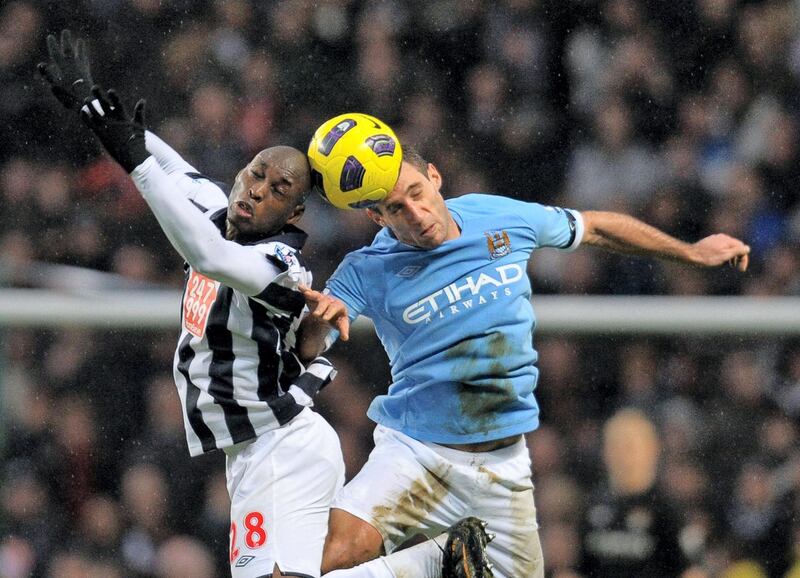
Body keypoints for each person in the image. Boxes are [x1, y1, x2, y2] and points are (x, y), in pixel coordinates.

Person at [39, 31, 492, 578]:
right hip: (263, 447)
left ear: (294, 213)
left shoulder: (278, 267)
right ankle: (435, 560)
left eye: (278, 190)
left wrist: (134, 159)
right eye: (256, 173)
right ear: (238, 173)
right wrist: (93, 106)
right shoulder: (219, 211)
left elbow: (204, 253)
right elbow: (166, 162)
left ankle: (432, 561)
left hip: (280, 446)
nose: (258, 190)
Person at [297, 144, 751, 578]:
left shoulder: (499, 216)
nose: (415, 214)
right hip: (418, 452)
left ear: (435, 177)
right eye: (396, 209)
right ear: (377, 216)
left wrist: (688, 252)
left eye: (417, 193)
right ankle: (439, 561)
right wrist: (316, 326)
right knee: (330, 556)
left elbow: (593, 226)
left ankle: (442, 560)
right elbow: (309, 346)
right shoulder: (367, 266)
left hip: (503, 463)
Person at [579, 408, 687, 577]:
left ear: (652, 449)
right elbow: (577, 567)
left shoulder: (669, 511)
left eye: (630, 446)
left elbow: (691, 571)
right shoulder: (592, 505)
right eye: (615, 446)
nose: (622, 456)